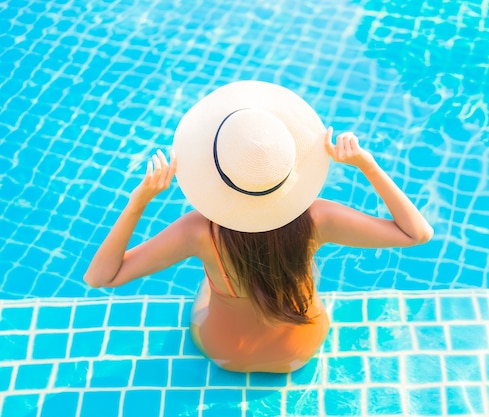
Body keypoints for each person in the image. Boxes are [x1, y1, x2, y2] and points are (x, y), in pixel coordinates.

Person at [84, 81, 433, 373]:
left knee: (211, 281)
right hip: (299, 351)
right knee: (296, 273)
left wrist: (139, 201)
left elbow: (101, 277)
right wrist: (366, 164)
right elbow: (416, 233)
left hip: (225, 353)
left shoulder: (198, 232)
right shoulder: (318, 219)